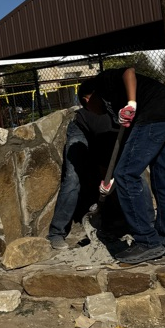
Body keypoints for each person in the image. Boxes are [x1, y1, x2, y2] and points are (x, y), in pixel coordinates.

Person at [95, 65, 165, 265]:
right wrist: (111, 179)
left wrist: (131, 103)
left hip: (155, 115)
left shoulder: (101, 83)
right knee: (163, 182)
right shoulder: (117, 111)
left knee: (127, 175)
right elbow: (129, 149)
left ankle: (147, 242)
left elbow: (128, 71)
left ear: (87, 98)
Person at [47, 77, 128, 250]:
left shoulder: (120, 110)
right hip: (80, 131)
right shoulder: (95, 114)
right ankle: (56, 232)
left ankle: (123, 220)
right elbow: (102, 155)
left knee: (126, 174)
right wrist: (107, 179)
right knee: (72, 179)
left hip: (106, 139)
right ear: (87, 100)